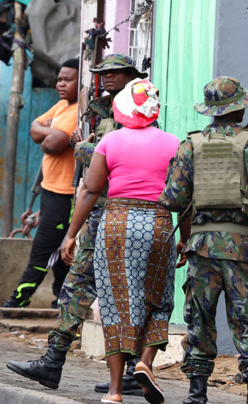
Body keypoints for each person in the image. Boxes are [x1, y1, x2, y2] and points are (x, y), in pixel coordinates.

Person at [6, 53, 149, 396]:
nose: (109, 78)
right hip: (98, 210)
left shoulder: (141, 108)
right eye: (104, 73)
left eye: (117, 73)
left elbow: (108, 154)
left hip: (122, 210)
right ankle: (53, 361)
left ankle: (130, 371)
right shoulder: (100, 108)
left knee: (123, 293)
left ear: (132, 75)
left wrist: (83, 147)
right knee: (77, 286)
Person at [159, 77, 248, 404]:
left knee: (199, 320)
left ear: (210, 112)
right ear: (240, 107)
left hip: (201, 248)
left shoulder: (190, 145)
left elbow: (172, 198)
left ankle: (196, 395)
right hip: (242, 246)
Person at [60, 79, 179, 404]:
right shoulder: (174, 144)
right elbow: (185, 197)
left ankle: (114, 391)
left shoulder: (109, 142)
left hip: (117, 223)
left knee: (115, 303)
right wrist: (186, 238)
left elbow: (90, 190)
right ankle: (144, 361)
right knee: (158, 296)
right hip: (158, 223)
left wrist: (71, 235)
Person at [0, 58, 80, 322]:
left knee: (43, 250)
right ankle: (61, 302)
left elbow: (51, 144)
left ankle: (16, 303)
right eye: (60, 78)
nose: (60, 83)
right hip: (51, 191)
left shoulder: (76, 112)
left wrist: (47, 132)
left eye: (68, 79)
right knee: (60, 254)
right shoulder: (62, 105)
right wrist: (48, 132)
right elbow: (33, 129)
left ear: (80, 82)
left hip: (66, 195)